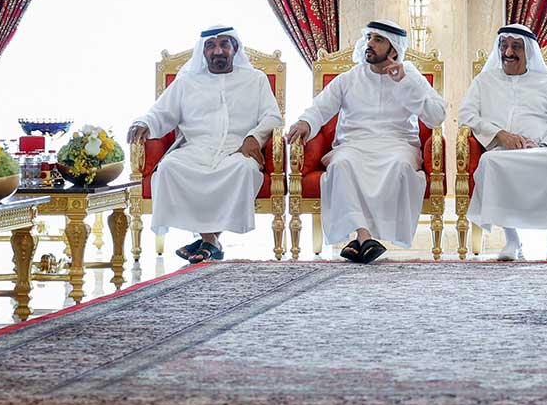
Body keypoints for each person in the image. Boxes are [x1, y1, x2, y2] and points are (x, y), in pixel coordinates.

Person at [286, 20, 446, 264]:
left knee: (400, 166)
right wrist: (304, 123)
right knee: (341, 165)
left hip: (398, 144)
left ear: (394, 49)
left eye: (378, 40)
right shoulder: (350, 78)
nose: (369, 44)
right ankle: (365, 237)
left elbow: (436, 116)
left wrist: (405, 83)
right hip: (354, 144)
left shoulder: (410, 75)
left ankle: (360, 241)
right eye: (369, 38)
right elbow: (320, 107)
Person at [128, 26, 281, 264]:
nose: (218, 51)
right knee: (168, 168)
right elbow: (161, 112)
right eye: (211, 46)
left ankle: (208, 242)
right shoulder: (186, 81)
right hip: (195, 150)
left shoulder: (256, 80)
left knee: (244, 169)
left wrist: (254, 137)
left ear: (235, 48)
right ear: (203, 51)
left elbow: (272, 116)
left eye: (224, 45)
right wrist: (143, 122)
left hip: (236, 150)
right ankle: (210, 241)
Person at [459, 24, 547, 261]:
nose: (508, 52)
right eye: (504, 46)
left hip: (541, 150)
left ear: (529, 52)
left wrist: (543, 145)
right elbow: (466, 115)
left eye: (516, 47)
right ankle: (512, 240)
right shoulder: (484, 81)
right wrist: (500, 134)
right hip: (502, 151)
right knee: (490, 162)